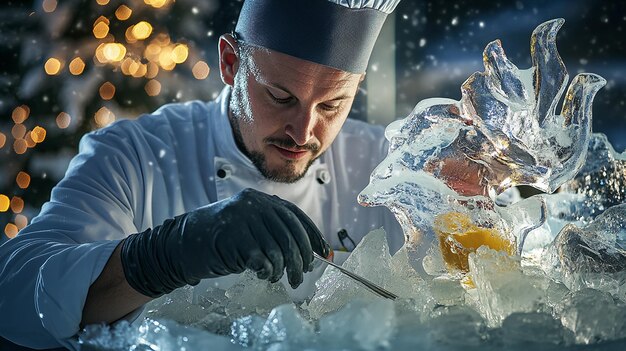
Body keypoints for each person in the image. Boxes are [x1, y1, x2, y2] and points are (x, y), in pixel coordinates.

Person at [0, 0, 405, 349]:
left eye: (332, 105)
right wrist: (164, 256)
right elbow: (13, 297)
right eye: (281, 97)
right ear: (230, 62)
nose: (303, 132)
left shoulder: (386, 166)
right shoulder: (136, 154)